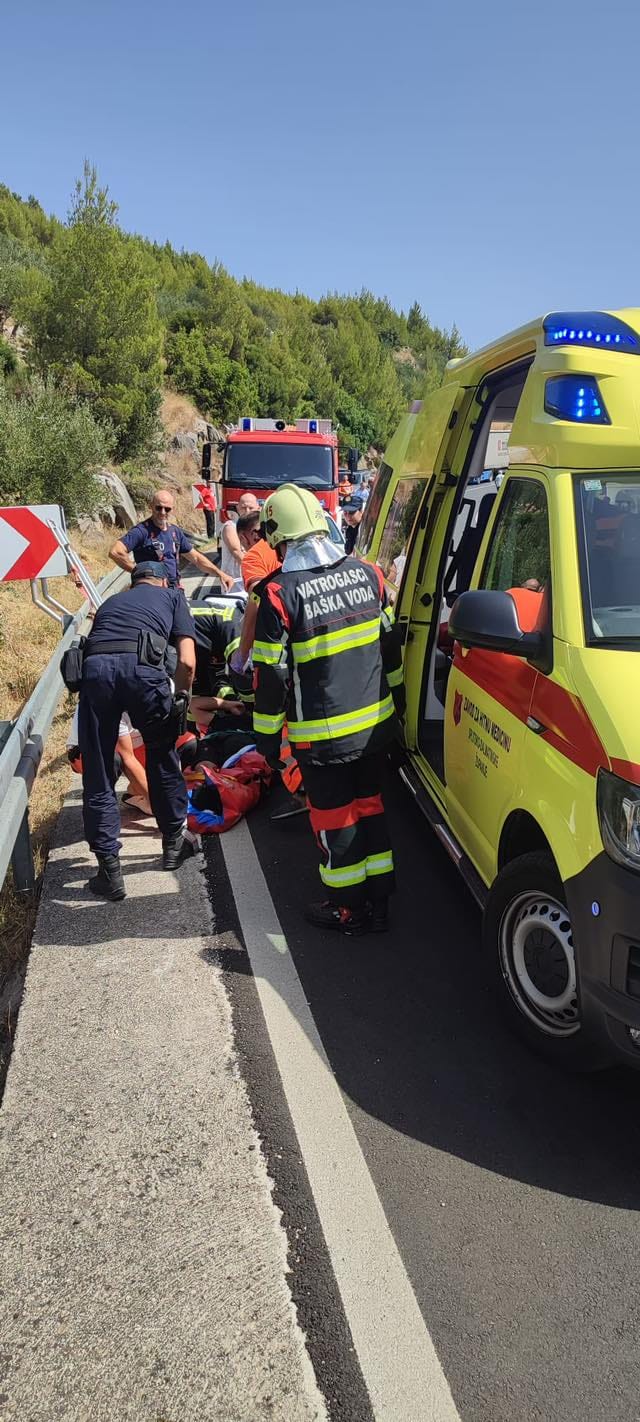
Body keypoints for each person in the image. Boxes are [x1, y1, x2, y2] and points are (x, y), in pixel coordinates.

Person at [252, 484, 405, 935]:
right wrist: (397, 706)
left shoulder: (278, 595)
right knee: (371, 807)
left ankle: (347, 908)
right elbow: (389, 648)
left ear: (278, 537)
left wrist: (266, 738)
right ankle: (380, 903)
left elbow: (271, 676)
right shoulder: (369, 575)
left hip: (323, 740)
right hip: (375, 727)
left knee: (336, 820)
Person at [78, 561, 199, 901]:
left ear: (133, 583)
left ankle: (109, 871)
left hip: (95, 674)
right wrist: (181, 698)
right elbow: (187, 662)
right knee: (162, 755)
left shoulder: (110, 602)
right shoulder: (173, 597)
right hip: (143, 673)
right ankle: (173, 844)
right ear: (164, 582)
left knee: (99, 769)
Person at [109, 490, 235, 591]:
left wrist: (220, 574)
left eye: (167, 509)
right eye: (158, 508)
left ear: (172, 509)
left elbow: (196, 558)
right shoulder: (141, 531)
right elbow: (115, 552)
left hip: (174, 589)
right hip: (152, 591)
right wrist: (139, 572)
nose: (162, 512)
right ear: (151, 506)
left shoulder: (175, 532)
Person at [220, 493, 260, 587]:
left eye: (251, 508)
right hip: (235, 584)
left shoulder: (261, 527)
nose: (247, 511)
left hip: (254, 581)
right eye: (243, 508)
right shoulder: (230, 526)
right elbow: (237, 553)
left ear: (258, 508)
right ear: (237, 508)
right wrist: (258, 572)